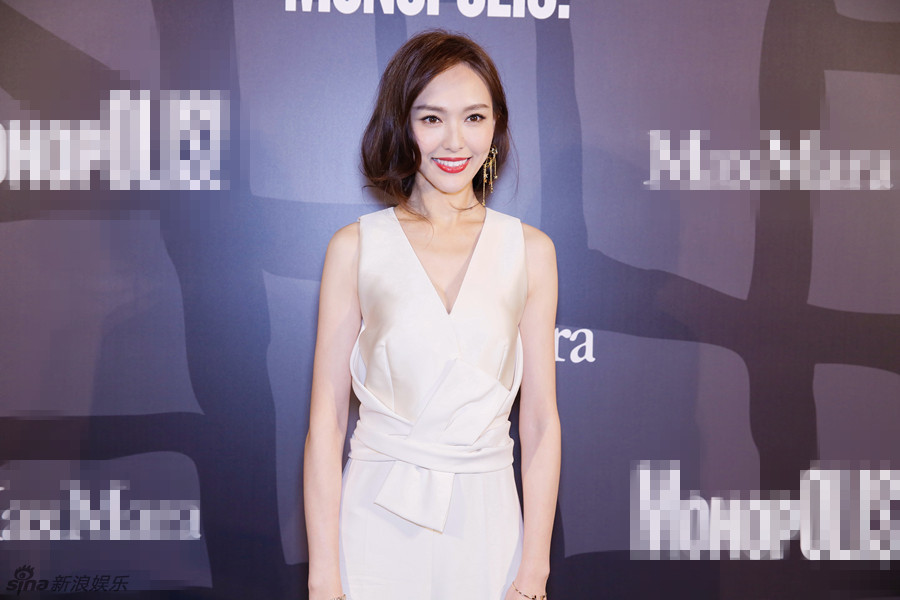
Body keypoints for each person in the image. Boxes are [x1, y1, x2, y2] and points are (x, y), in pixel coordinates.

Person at [304, 29, 560, 600]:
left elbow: (541, 422)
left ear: (496, 126)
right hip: (373, 524)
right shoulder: (355, 247)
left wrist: (534, 572)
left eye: (474, 118)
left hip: (489, 526)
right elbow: (327, 423)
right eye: (431, 118)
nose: (454, 141)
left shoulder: (530, 251)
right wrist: (323, 577)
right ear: (403, 124)